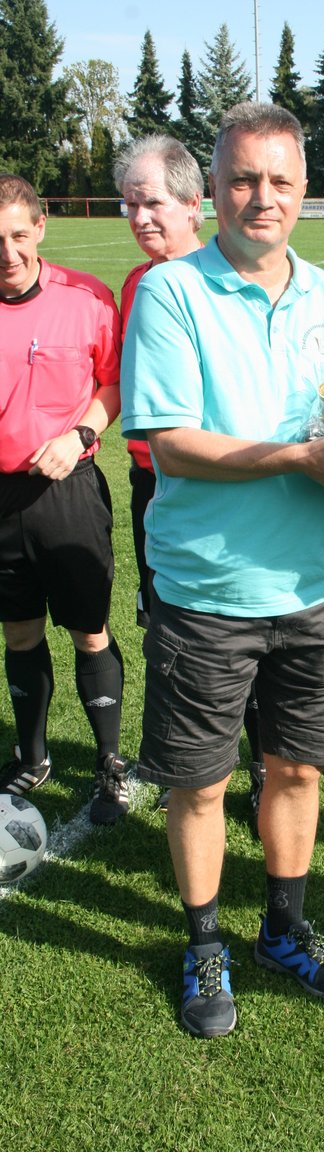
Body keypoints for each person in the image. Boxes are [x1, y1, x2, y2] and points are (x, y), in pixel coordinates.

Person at [120, 102, 324, 1038]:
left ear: (304, 188)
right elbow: (168, 441)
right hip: (207, 592)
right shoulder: (172, 293)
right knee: (197, 784)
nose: (261, 198)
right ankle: (204, 944)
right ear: (217, 188)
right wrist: (295, 460)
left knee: (297, 772)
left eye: (280, 180)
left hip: (315, 586)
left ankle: (284, 928)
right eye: (243, 180)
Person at [113, 134, 266, 832]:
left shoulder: (230, 275)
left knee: (257, 630)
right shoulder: (138, 285)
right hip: (157, 489)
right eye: (130, 205)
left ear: (191, 204)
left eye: (152, 204)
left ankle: (263, 765)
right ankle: (190, 764)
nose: (140, 217)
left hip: (233, 485)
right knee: (170, 627)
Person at [0, 174, 128, 825]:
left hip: (66, 492)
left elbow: (114, 383)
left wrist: (80, 432)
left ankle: (109, 764)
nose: (8, 251)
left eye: (19, 235)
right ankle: (32, 756)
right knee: (18, 629)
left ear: (40, 227)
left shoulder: (88, 299)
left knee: (89, 631)